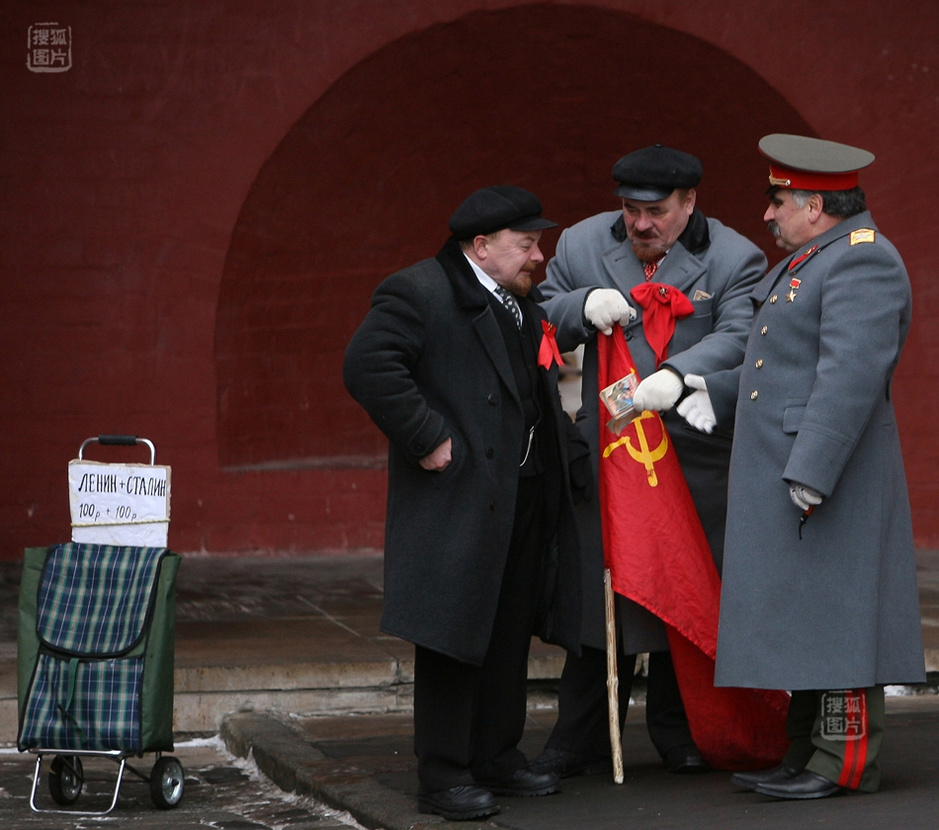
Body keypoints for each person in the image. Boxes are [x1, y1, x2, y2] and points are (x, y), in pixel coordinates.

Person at [680, 134, 926, 799]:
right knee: (807, 613)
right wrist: (707, 389)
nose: (768, 214)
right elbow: (778, 368)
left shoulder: (860, 263)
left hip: (826, 466)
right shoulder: (812, 259)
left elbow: (847, 375)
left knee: (836, 614)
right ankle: (802, 751)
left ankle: (839, 763)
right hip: (790, 460)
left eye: (778, 200)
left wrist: (811, 469)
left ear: (815, 205)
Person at [342, 186, 590, 821]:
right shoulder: (420, 291)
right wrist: (427, 436)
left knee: (508, 630)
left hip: (520, 492)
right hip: (460, 496)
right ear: (481, 246)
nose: (539, 256)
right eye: (525, 245)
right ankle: (445, 772)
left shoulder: (516, 299)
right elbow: (368, 365)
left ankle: (497, 756)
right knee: (455, 633)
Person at [533, 145, 767, 777]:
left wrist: (676, 375)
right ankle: (577, 736)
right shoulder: (583, 245)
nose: (641, 225)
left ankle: (678, 729)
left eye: (657, 212)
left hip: (690, 453)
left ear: (690, 203)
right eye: (631, 210)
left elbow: (742, 334)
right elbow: (538, 314)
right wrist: (579, 307)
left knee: (681, 589)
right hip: (611, 453)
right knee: (602, 593)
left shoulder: (733, 255)